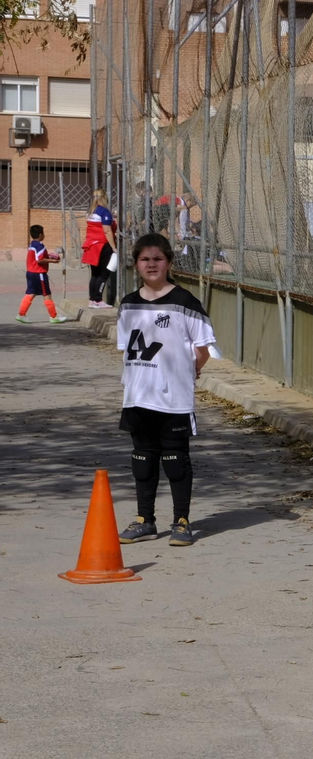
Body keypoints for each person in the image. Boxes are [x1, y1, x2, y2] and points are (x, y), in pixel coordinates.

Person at [116, 233, 216, 548]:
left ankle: (182, 521)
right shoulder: (128, 303)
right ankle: (145, 519)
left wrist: (191, 371)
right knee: (142, 460)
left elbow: (204, 349)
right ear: (136, 264)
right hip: (137, 396)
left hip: (173, 398)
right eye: (145, 259)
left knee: (175, 460)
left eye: (158, 259)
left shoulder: (185, 302)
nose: (151, 264)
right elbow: (126, 348)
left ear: (169, 262)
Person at [17, 224, 67, 323]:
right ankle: (53, 317)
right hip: (39, 273)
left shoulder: (31, 245)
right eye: (44, 233)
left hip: (30, 272)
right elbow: (39, 260)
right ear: (40, 235)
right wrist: (52, 261)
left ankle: (21, 314)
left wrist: (49, 256)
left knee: (31, 293)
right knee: (47, 294)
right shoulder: (40, 246)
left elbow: (38, 256)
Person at [83, 189, 116, 307]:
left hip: (91, 245)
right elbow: (107, 231)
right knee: (104, 273)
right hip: (102, 245)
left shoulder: (92, 211)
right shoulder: (105, 212)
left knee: (95, 274)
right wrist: (114, 248)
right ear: (104, 198)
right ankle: (98, 300)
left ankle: (92, 300)